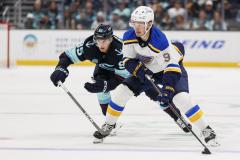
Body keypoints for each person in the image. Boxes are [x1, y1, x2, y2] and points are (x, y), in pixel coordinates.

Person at [93, 6, 220, 147]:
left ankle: (206, 129)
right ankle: (109, 125)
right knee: (121, 93)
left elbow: (171, 68)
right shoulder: (129, 36)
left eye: (141, 24)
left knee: (181, 99)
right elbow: (127, 59)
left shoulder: (160, 41)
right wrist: (138, 70)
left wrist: (168, 90)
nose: (137, 27)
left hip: (170, 70)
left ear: (149, 24)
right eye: (135, 23)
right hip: (146, 71)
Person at [50, 24, 129, 120]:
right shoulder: (89, 46)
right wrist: (60, 68)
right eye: (98, 40)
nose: (100, 44)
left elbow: (122, 78)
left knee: (123, 90)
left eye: (104, 41)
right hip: (103, 68)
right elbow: (67, 56)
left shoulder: (121, 51)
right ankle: (110, 121)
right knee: (101, 88)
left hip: (125, 70)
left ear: (111, 39)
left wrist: (105, 85)